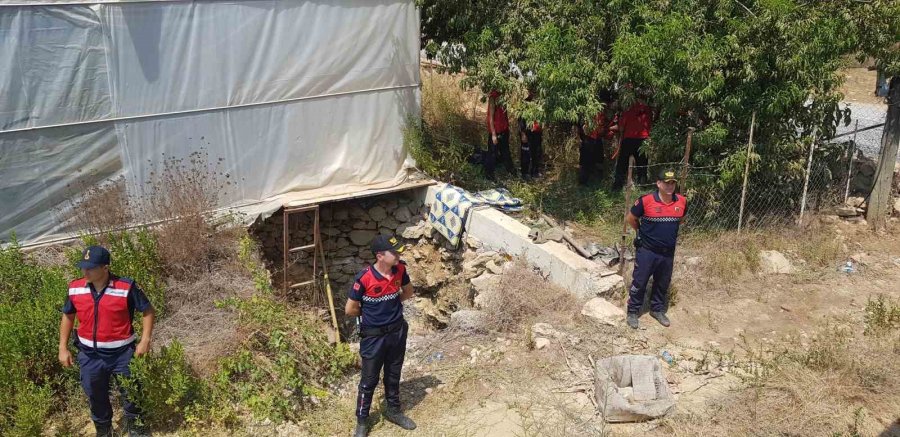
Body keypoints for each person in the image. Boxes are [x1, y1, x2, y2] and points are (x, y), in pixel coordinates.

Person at [58, 245, 155, 437]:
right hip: (89, 355)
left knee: (131, 393)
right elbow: (67, 316)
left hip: (123, 355)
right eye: (83, 267)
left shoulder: (125, 287)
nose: (85, 271)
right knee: (95, 395)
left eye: (90, 267)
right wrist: (63, 347)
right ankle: (104, 430)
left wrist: (145, 341)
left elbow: (148, 311)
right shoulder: (75, 288)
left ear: (105, 268)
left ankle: (136, 428)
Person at [346, 235, 416, 437]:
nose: (398, 255)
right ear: (380, 256)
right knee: (369, 380)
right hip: (373, 337)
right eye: (393, 253)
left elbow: (408, 292)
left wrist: (391, 307)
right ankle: (362, 420)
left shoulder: (400, 269)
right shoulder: (364, 278)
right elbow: (350, 309)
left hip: (397, 332)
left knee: (393, 375)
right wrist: (371, 314)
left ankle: (393, 411)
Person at [624, 169, 687, 329]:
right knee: (640, 280)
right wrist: (640, 233)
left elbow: (680, 220)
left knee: (662, 282)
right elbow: (631, 218)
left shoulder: (681, 201)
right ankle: (632, 311)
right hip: (647, 250)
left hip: (668, 252)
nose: (669, 186)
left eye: (672, 183)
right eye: (666, 183)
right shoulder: (645, 201)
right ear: (658, 184)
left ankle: (657, 309)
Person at [612, 98, 653, 190]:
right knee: (642, 165)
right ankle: (642, 186)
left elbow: (621, 127)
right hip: (643, 140)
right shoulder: (648, 110)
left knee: (622, 164)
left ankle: (617, 187)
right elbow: (650, 124)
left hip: (629, 139)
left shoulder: (628, 109)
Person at [577, 107, 617, 185]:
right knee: (586, 162)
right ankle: (584, 182)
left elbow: (603, 130)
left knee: (598, 162)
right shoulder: (589, 114)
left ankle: (597, 181)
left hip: (595, 139)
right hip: (588, 139)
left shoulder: (600, 115)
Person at [485, 90, 514, 179]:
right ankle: (489, 175)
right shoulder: (493, 97)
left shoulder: (503, 96)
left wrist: (507, 128)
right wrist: (493, 134)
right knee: (492, 154)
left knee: (506, 152)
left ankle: (511, 172)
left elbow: (505, 115)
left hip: (504, 130)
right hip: (496, 132)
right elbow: (490, 118)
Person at [518, 91, 543, 179]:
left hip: (537, 133)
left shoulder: (541, 103)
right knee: (526, 153)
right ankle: (524, 173)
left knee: (537, 152)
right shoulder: (525, 103)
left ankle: (535, 171)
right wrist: (523, 133)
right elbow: (520, 120)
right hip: (527, 133)